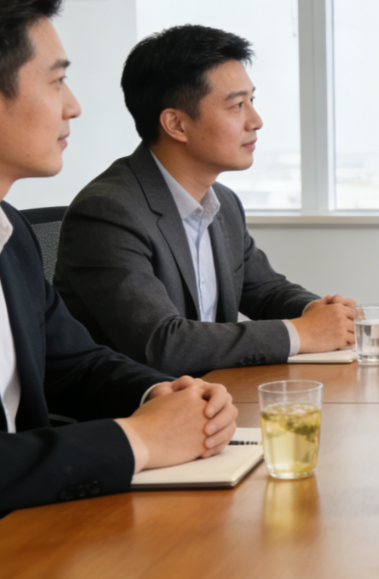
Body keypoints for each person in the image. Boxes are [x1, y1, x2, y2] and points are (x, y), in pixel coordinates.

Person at [0, 0, 237, 514]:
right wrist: (138, 440)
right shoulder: (111, 206)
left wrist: (165, 396)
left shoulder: (10, 235)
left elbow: (75, 366)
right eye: (56, 81)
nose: (73, 107)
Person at [53, 25, 356, 377]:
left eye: (252, 101)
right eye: (237, 105)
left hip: (216, 394)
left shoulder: (222, 202)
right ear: (176, 124)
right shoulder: (108, 213)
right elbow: (163, 344)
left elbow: (266, 291)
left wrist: (324, 313)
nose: (256, 121)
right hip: (141, 405)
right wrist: (301, 333)